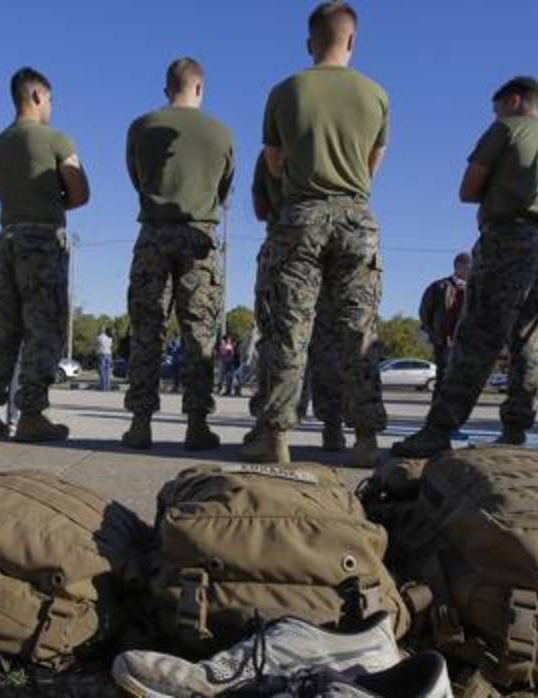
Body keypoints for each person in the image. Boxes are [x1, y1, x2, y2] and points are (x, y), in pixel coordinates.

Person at [242, 2, 391, 466]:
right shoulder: (376, 95)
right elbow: (373, 163)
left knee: (289, 329)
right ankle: (365, 438)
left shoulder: (285, 91)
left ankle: (276, 436)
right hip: (356, 218)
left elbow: (273, 161)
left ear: (310, 42)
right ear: (352, 40)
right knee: (358, 330)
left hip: (300, 217)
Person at [393, 75, 538, 459]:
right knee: (526, 339)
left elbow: (468, 189)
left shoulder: (507, 128)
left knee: (477, 336)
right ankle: (516, 429)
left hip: (507, 239)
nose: (496, 114)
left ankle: (439, 430)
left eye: (498, 107)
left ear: (514, 101)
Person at [0, 67, 90, 443]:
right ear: (38, 95)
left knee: (5, 329)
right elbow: (80, 193)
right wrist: (52, 200)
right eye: (50, 99)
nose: (51, 107)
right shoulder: (55, 139)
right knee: (44, 327)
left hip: (8, 240)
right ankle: (32, 415)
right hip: (41, 242)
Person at [118, 57, 232, 450]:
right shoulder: (220, 133)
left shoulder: (141, 127)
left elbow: (137, 178)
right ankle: (197, 424)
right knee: (199, 332)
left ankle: (140, 424)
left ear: (167, 88)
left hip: (153, 232)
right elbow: (223, 190)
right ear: (199, 87)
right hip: (199, 236)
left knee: (147, 330)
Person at [249, 154, 348, 451]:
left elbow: (260, 208)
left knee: (279, 337)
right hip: (337, 241)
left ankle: (273, 430)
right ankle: (333, 428)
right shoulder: (340, 146)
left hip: (285, 243)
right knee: (328, 341)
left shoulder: (272, 153)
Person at [418, 252, 470, 400]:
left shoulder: (475, 288)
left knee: (463, 381)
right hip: (446, 341)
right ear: (459, 266)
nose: (473, 270)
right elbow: (424, 313)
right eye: (470, 267)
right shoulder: (439, 287)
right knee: (444, 378)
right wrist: (434, 334)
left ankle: (456, 410)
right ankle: (438, 410)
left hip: (467, 342)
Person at [96, 327, 113, 393]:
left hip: (102, 354)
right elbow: (110, 346)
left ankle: (103, 387)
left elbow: (97, 345)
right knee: (107, 372)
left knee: (102, 371)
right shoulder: (110, 338)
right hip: (109, 354)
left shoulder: (99, 337)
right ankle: (108, 387)